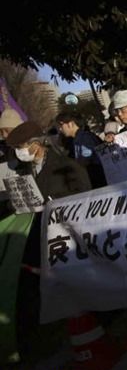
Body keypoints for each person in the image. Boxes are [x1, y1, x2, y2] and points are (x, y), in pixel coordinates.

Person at [5, 121, 92, 348]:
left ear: (36, 144)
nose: (18, 152)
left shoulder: (66, 166)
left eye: (21, 146)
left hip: (68, 239)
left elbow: (85, 199)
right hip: (40, 239)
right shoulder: (23, 172)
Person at [55, 111, 106, 188]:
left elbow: (85, 160)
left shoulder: (84, 138)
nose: (60, 129)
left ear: (70, 124)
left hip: (97, 180)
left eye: (61, 125)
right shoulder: (77, 140)